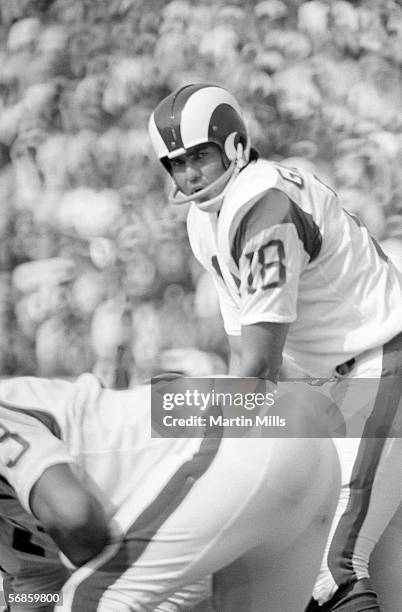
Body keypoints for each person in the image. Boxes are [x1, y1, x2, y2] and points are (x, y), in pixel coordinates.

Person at [148, 83, 402, 612]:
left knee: (329, 569)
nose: (190, 174)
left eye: (200, 155)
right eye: (176, 163)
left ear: (236, 146)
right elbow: (252, 354)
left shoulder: (263, 204)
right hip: (332, 381)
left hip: (379, 362)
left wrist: (206, 434)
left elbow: (260, 363)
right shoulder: (205, 219)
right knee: (346, 559)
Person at [0, 373, 340, 612]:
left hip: (235, 439)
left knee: (89, 602)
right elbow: (38, 593)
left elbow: (78, 521)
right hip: (283, 445)